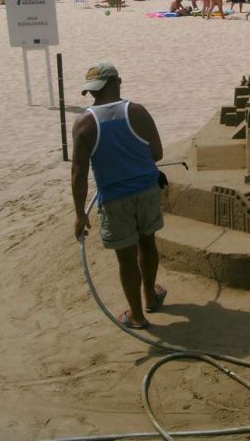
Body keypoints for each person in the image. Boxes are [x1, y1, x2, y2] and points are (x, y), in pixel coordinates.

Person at [71, 62, 166, 329]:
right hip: (147, 191)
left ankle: (137, 316)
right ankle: (150, 297)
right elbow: (157, 154)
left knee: (126, 258)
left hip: (114, 199)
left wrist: (80, 213)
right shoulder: (137, 112)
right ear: (117, 82)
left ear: (92, 91)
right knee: (148, 244)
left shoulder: (83, 123)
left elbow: (78, 171)